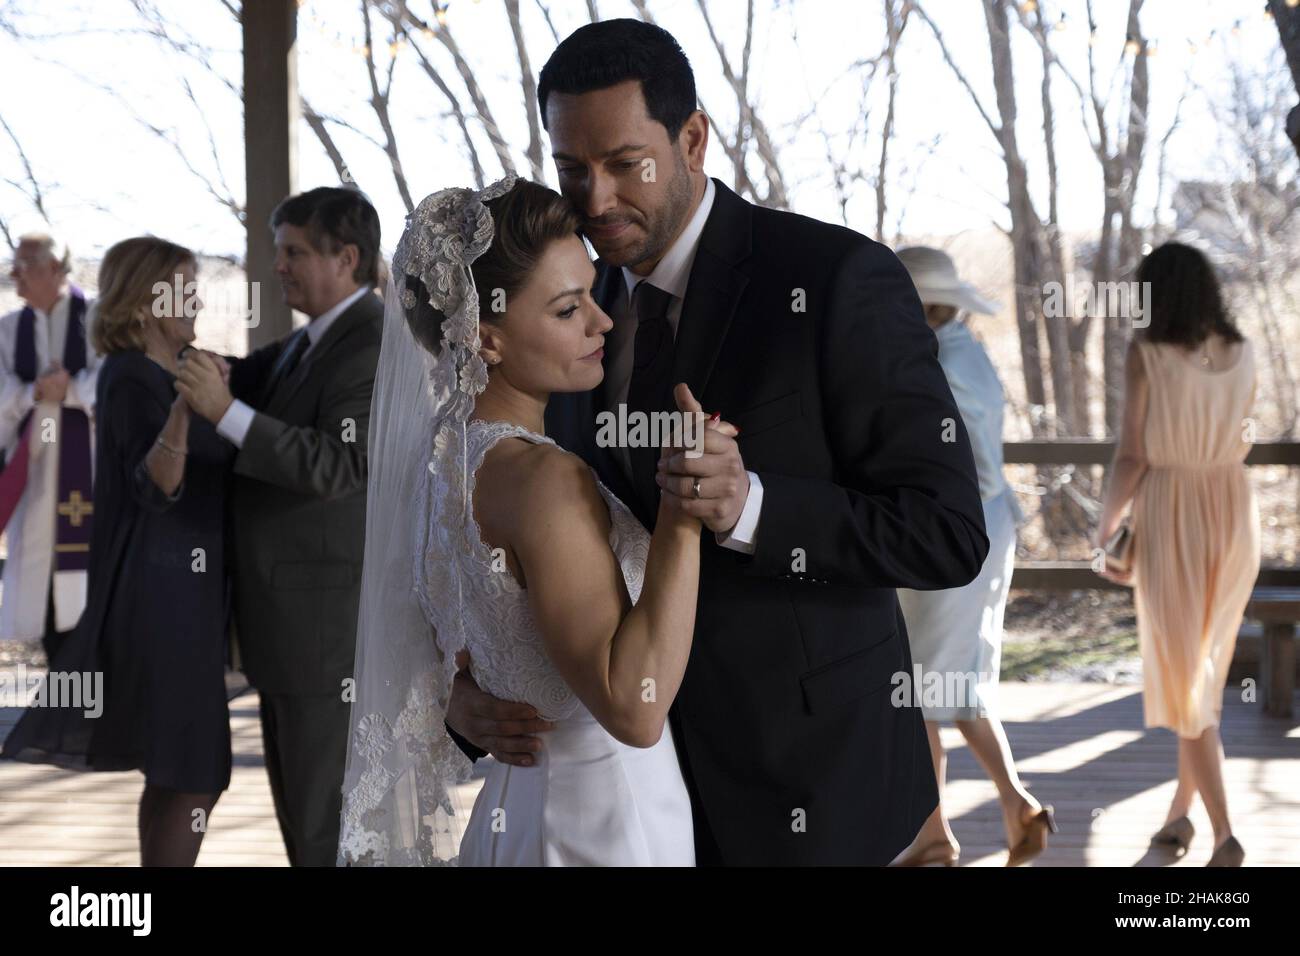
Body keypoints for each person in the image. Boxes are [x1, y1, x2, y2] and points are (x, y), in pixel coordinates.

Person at [442, 19, 989, 866]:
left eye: (625, 164)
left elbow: (946, 531)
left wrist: (752, 507)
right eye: (571, 170)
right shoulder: (567, 311)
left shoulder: (836, 278)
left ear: (692, 138)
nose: (593, 201)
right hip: (631, 798)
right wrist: (470, 702)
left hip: (812, 788)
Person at [340, 176, 735, 865]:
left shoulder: (440, 463)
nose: (603, 321)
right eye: (566, 308)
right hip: (604, 817)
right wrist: (681, 512)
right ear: (485, 338)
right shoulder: (544, 480)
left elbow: (418, 634)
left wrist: (456, 697)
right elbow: (634, 709)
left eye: (590, 292)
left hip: (516, 805)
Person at [2, 237, 234, 867]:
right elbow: (155, 486)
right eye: (182, 288)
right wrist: (190, 410)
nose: (196, 300)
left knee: (173, 771)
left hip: (176, 595)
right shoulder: (134, 377)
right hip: (163, 602)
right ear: (143, 304)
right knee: (195, 772)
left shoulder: (168, 368)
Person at [176, 187, 383, 867]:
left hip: (325, 633)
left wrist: (223, 413)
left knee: (326, 826)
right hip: (288, 628)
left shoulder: (370, 345)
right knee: (302, 819)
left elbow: (342, 464)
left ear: (346, 257)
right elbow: (237, 376)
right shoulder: (307, 342)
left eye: (293, 252)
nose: (279, 267)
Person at [1096, 242, 1259, 868]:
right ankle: (1179, 817)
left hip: (1172, 511)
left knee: (1185, 674)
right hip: (1234, 507)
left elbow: (1132, 455)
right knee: (1203, 673)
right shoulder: (1243, 352)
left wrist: (1106, 528)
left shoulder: (1148, 355)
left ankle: (1225, 836)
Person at [891, 246, 1053, 867]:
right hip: (986, 528)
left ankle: (932, 838)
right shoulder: (968, 352)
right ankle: (1015, 806)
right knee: (955, 682)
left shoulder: (935, 365)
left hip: (953, 535)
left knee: (924, 687)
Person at [0, 234, 102, 664]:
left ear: (58, 269)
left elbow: (116, 381)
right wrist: (35, 392)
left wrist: (71, 390)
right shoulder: (8, 328)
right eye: (15, 264)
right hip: (35, 469)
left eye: (26, 265)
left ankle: (92, 710)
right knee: (44, 598)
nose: (13, 274)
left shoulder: (99, 317)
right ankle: (63, 704)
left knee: (91, 594)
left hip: (91, 474)